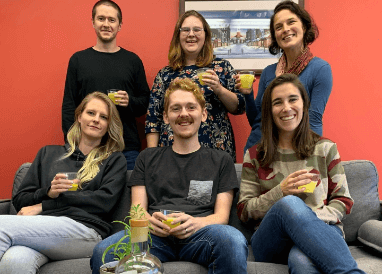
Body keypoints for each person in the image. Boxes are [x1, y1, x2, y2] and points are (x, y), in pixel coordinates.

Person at [237, 73, 382, 274]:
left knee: (304, 258)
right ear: (270, 110)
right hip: (272, 243)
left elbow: (344, 201)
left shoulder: (325, 149)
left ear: (304, 104)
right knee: (290, 204)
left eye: (293, 99)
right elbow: (245, 210)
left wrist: (308, 218)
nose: (286, 108)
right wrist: (280, 193)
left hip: (320, 238)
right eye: (278, 102)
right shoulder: (255, 155)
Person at [91, 78, 248, 274]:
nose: (183, 114)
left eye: (191, 107)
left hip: (200, 235)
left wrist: (195, 223)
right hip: (154, 236)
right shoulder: (147, 157)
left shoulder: (221, 160)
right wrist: (149, 222)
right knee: (104, 250)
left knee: (233, 240)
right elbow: (136, 212)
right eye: (176, 108)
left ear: (203, 114)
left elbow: (221, 217)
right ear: (166, 116)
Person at [0, 92, 127, 274]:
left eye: (103, 117)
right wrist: (48, 192)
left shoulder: (113, 160)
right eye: (91, 113)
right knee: (14, 262)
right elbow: (21, 200)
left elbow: (104, 202)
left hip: (84, 231)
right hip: (41, 232)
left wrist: (45, 205)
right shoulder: (48, 154)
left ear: (109, 124)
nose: (96, 119)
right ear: (79, 116)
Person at [145, 10, 245, 162]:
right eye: (185, 30)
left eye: (197, 29)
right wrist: (152, 159)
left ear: (205, 35)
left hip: (216, 150)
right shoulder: (165, 74)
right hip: (173, 152)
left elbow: (239, 106)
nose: (191, 34)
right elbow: (153, 119)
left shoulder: (222, 67)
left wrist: (219, 89)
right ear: (178, 36)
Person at [62, 0, 150, 170]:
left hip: (126, 148)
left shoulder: (133, 61)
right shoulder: (78, 60)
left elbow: (146, 103)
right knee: (86, 196)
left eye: (111, 20)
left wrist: (129, 102)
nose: (106, 24)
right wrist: (72, 143)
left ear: (119, 25)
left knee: (128, 196)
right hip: (87, 147)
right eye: (101, 19)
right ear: (93, 22)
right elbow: (69, 105)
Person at [237, 0, 332, 154]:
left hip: (295, 153)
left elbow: (313, 120)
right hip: (259, 151)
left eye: (291, 22)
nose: (285, 29)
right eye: (279, 27)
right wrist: (247, 95)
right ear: (275, 36)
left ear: (304, 26)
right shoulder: (269, 72)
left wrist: (310, 156)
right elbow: (257, 121)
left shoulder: (320, 69)